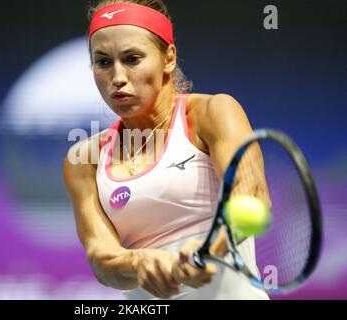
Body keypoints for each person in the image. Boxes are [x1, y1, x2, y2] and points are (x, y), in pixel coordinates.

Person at [63, 0, 269, 299]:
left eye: (132, 58)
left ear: (168, 58)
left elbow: (252, 198)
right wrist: (137, 262)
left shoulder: (213, 112)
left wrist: (211, 247)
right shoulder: (83, 161)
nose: (117, 78)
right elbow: (100, 258)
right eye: (103, 62)